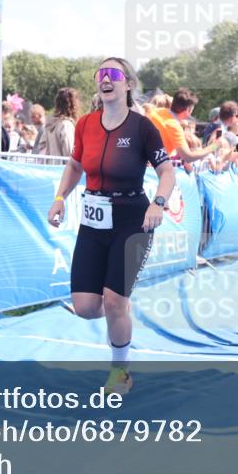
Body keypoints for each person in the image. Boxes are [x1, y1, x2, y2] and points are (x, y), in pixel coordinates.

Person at [47, 58, 174, 395]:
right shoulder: (85, 124)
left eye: (113, 74)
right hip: (93, 221)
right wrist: (59, 198)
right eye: (100, 74)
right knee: (86, 308)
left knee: (114, 301)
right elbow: (75, 166)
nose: (106, 79)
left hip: (133, 221)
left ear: (128, 84)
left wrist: (158, 203)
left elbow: (167, 172)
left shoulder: (143, 127)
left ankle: (120, 373)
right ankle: (120, 310)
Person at [148, 88, 224, 164]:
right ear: (188, 110)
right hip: (154, 166)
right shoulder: (174, 127)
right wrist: (214, 146)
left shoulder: (155, 111)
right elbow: (188, 157)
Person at [42, 88, 81, 158]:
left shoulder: (51, 124)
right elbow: (69, 151)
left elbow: (42, 145)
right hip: (63, 164)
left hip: (51, 164)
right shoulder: (66, 125)